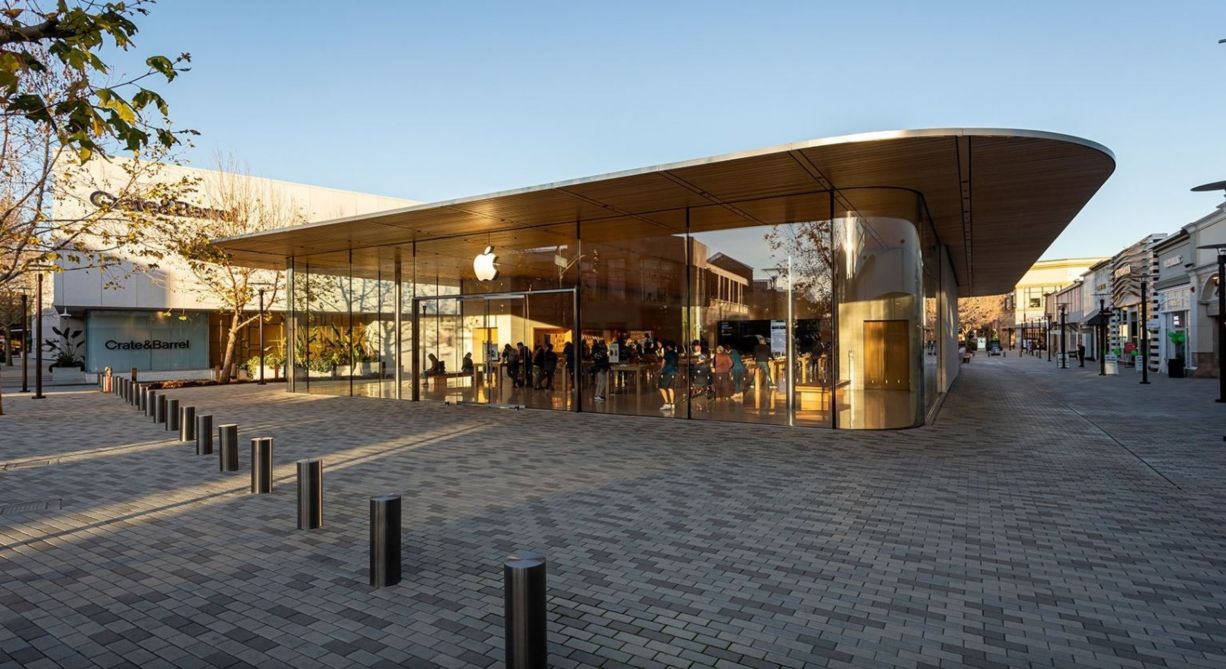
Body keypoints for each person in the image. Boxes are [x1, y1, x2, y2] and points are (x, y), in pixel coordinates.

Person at [658, 341, 678, 411]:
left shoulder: (667, 353)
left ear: (668, 346)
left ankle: (667, 403)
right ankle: (672, 404)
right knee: (670, 387)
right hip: (674, 372)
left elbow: (663, 363)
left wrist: (661, 369)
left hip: (667, 371)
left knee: (661, 387)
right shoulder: (676, 354)